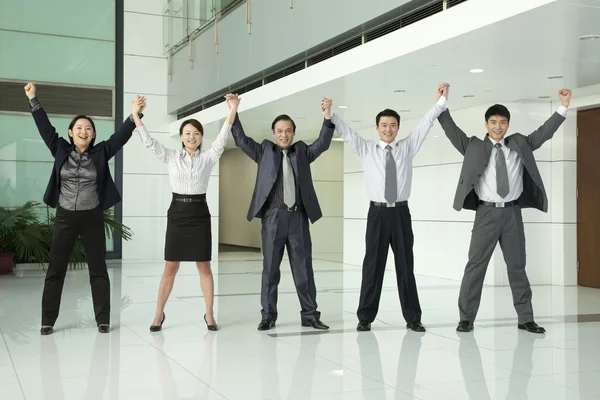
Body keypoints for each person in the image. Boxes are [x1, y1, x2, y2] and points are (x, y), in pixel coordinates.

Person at [437, 88, 572, 334]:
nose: (498, 127)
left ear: (508, 124)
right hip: (486, 214)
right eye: (493, 122)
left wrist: (562, 106)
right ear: (486, 124)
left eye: (502, 122)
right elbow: (451, 130)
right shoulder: (473, 146)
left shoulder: (519, 143)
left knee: (517, 267)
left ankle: (525, 318)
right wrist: (442, 104)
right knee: (475, 266)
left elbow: (544, 132)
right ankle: (466, 319)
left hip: (512, 214)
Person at [24, 82, 145, 335]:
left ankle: (103, 319)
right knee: (55, 270)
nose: (83, 131)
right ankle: (48, 320)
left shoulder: (101, 152)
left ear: (92, 135)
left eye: (88, 128)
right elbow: (45, 128)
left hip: (92, 217)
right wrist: (33, 100)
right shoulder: (59, 149)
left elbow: (120, 137)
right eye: (79, 127)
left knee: (98, 270)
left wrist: (135, 114)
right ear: (70, 132)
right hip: (65, 217)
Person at [331, 83, 450, 332]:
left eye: (393, 125)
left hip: (400, 214)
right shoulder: (367, 149)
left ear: (398, 127)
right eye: (384, 125)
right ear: (377, 128)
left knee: (405, 265)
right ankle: (365, 318)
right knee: (372, 265)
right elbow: (348, 132)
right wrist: (330, 115)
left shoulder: (407, 147)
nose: (388, 129)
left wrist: (439, 103)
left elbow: (425, 125)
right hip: (376, 214)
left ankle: (413, 317)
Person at [230, 97, 334, 331]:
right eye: (279, 131)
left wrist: (327, 116)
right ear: (273, 133)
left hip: (298, 218)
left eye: (288, 131)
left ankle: (309, 314)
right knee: (270, 269)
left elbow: (323, 143)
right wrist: (234, 111)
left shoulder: (303, 151)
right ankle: (268, 315)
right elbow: (241, 140)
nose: (284, 135)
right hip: (273, 218)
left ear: (294, 133)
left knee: (304, 268)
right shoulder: (264, 150)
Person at [140, 94, 239, 332]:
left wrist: (232, 110)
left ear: (201, 137)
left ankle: (209, 314)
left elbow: (223, 137)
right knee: (170, 267)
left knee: (204, 267)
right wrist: (136, 117)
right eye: (187, 133)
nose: (191, 136)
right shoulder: (172, 157)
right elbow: (149, 143)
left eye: (196, 133)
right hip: (177, 213)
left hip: (199, 214)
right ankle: (158, 314)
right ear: (181, 137)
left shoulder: (208, 158)